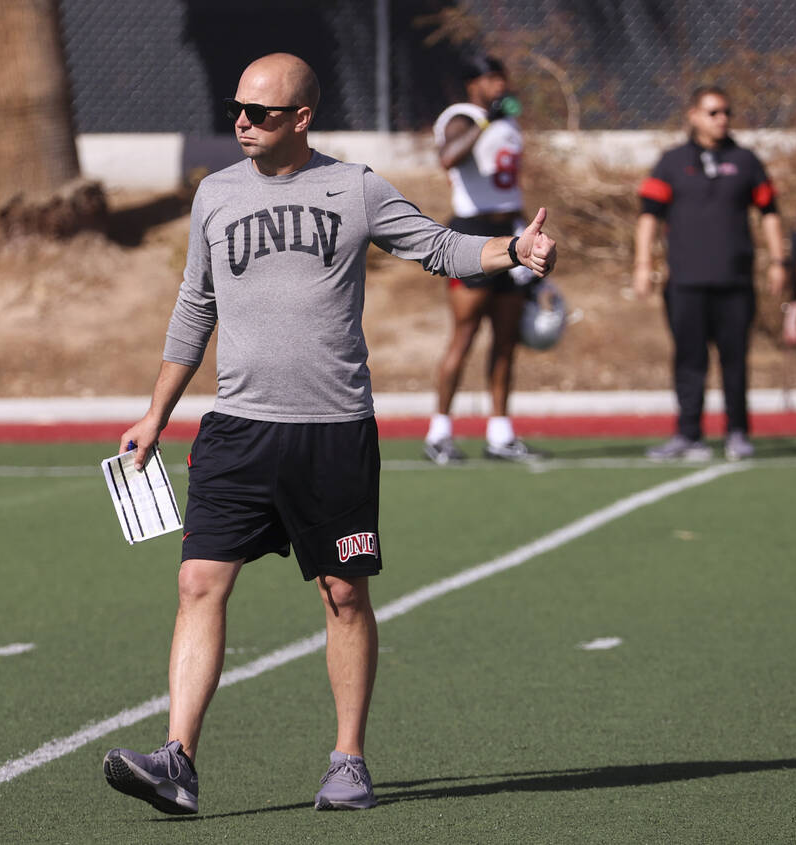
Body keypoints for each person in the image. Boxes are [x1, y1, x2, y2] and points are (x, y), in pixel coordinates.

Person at [102, 53, 557, 816]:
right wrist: (157, 413)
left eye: (262, 112)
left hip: (333, 431)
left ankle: (349, 760)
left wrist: (513, 251)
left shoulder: (355, 187)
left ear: (302, 119)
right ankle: (177, 758)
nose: (242, 121)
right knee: (196, 582)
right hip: (238, 430)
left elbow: (437, 247)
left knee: (344, 592)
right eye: (236, 108)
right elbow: (194, 307)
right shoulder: (214, 195)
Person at [634, 86, 789, 461]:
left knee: (734, 358)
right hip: (685, 281)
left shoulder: (746, 160)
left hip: (734, 280)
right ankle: (688, 435)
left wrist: (778, 260)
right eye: (713, 112)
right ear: (694, 115)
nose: (722, 119)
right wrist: (643, 264)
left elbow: (769, 212)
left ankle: (738, 433)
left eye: (726, 112)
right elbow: (648, 216)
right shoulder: (672, 162)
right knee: (689, 359)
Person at [424, 55, 543, 465]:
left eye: (502, 77)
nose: (500, 85)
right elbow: (448, 157)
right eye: (492, 78)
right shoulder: (462, 117)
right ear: (473, 83)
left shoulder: (507, 121)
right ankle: (439, 432)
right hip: (470, 236)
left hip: (511, 234)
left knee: (507, 338)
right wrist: (485, 121)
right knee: (465, 333)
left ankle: (500, 434)